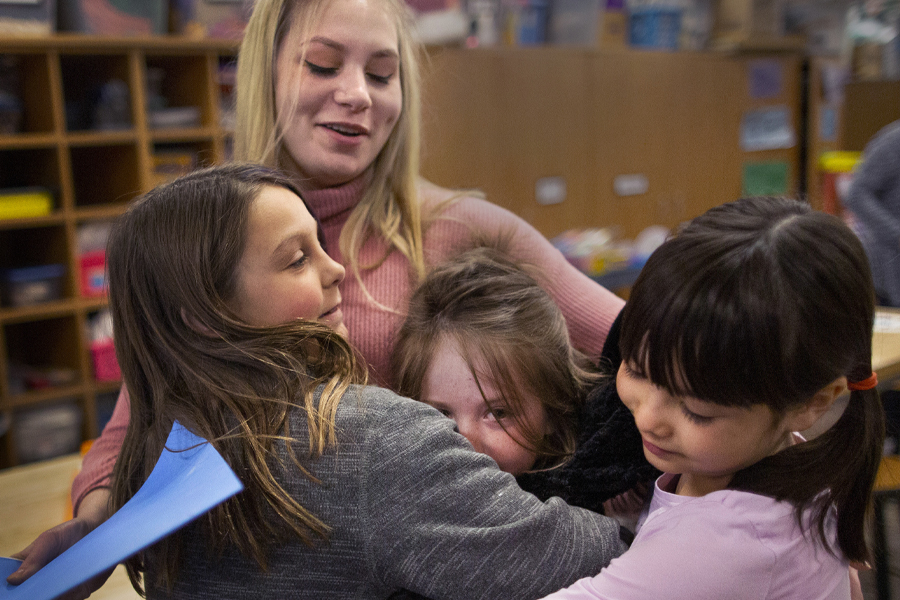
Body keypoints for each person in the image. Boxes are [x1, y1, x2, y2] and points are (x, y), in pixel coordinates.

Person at [21, 0, 625, 569]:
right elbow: (142, 416)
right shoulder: (206, 249)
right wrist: (91, 528)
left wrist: (613, 484)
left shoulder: (465, 227)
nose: (357, 94)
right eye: (323, 64)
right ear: (268, 72)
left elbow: (640, 347)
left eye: (383, 74)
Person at [95, 164, 625, 599]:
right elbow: (592, 558)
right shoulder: (374, 441)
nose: (337, 270)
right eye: (299, 258)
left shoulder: (150, 456)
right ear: (204, 314)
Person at [539, 196, 885, 600]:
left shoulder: (724, 543)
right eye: (635, 369)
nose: (649, 418)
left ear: (812, 403)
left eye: (697, 411)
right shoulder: (783, 461)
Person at [392, 245, 656, 515]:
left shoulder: (591, 512)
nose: (465, 442)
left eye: (498, 412)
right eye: (441, 413)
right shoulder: (400, 507)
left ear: (553, 412)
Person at [842, 118, 900, 453]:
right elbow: (857, 192)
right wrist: (895, 233)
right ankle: (884, 440)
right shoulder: (894, 139)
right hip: (889, 271)